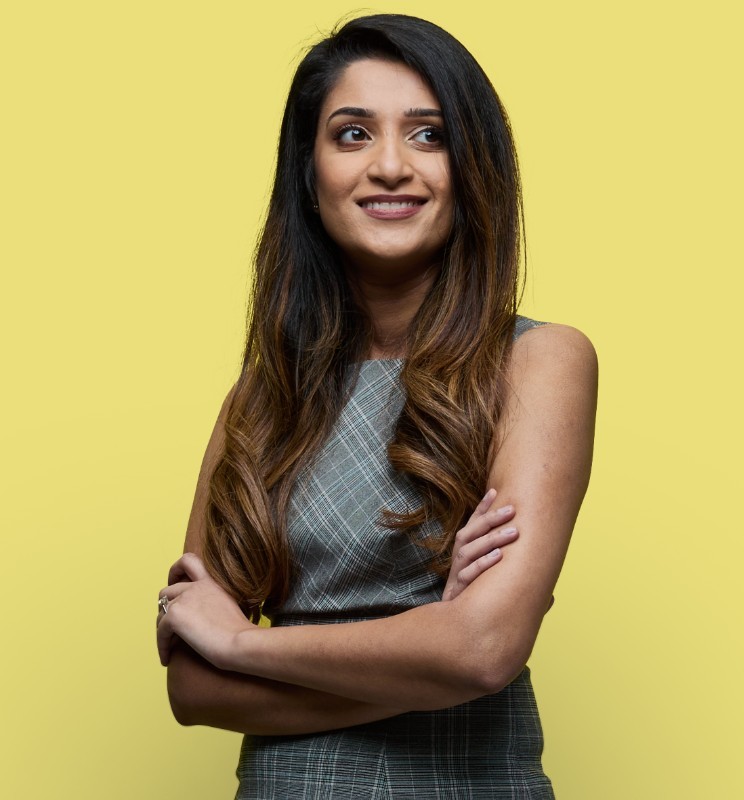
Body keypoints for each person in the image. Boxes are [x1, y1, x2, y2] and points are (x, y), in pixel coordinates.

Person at [156, 13, 597, 799]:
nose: (391, 166)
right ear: (310, 173)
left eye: (429, 135)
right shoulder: (260, 401)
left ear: (473, 169)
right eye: (352, 134)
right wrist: (431, 649)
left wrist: (242, 644)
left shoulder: (539, 362)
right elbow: (193, 690)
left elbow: (484, 649)